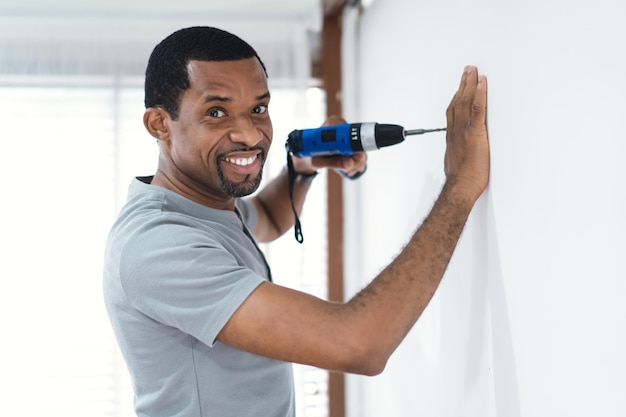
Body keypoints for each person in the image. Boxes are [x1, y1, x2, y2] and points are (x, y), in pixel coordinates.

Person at [103, 26, 489, 417]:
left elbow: (267, 218)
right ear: (159, 124)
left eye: (258, 108)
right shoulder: (159, 246)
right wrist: (460, 186)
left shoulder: (203, 206)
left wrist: (303, 167)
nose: (250, 134)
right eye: (216, 112)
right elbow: (359, 344)